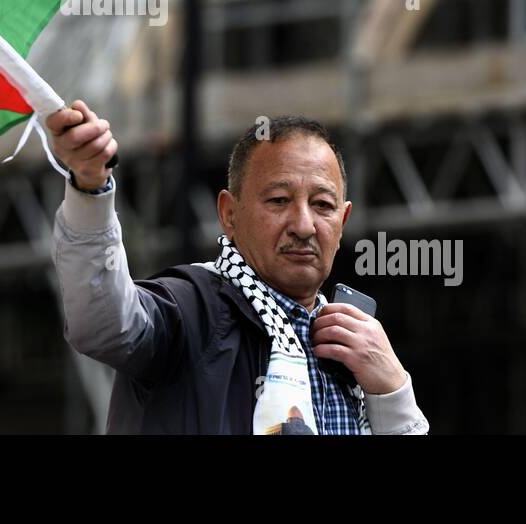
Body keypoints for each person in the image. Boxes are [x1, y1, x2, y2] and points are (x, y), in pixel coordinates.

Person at [46, 101, 429, 435]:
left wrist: (394, 392)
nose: (303, 225)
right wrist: (91, 187)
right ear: (229, 214)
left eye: (323, 205)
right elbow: (103, 324)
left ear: (343, 222)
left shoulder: (355, 350)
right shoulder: (190, 310)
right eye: (279, 200)